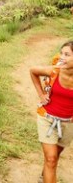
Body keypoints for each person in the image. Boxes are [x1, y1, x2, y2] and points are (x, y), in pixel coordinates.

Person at [30, 41, 73, 183]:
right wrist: (42, 95)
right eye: (61, 53)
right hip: (47, 118)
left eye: (67, 54)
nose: (62, 57)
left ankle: (45, 175)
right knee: (51, 158)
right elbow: (33, 71)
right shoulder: (55, 70)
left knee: (54, 157)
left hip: (68, 123)